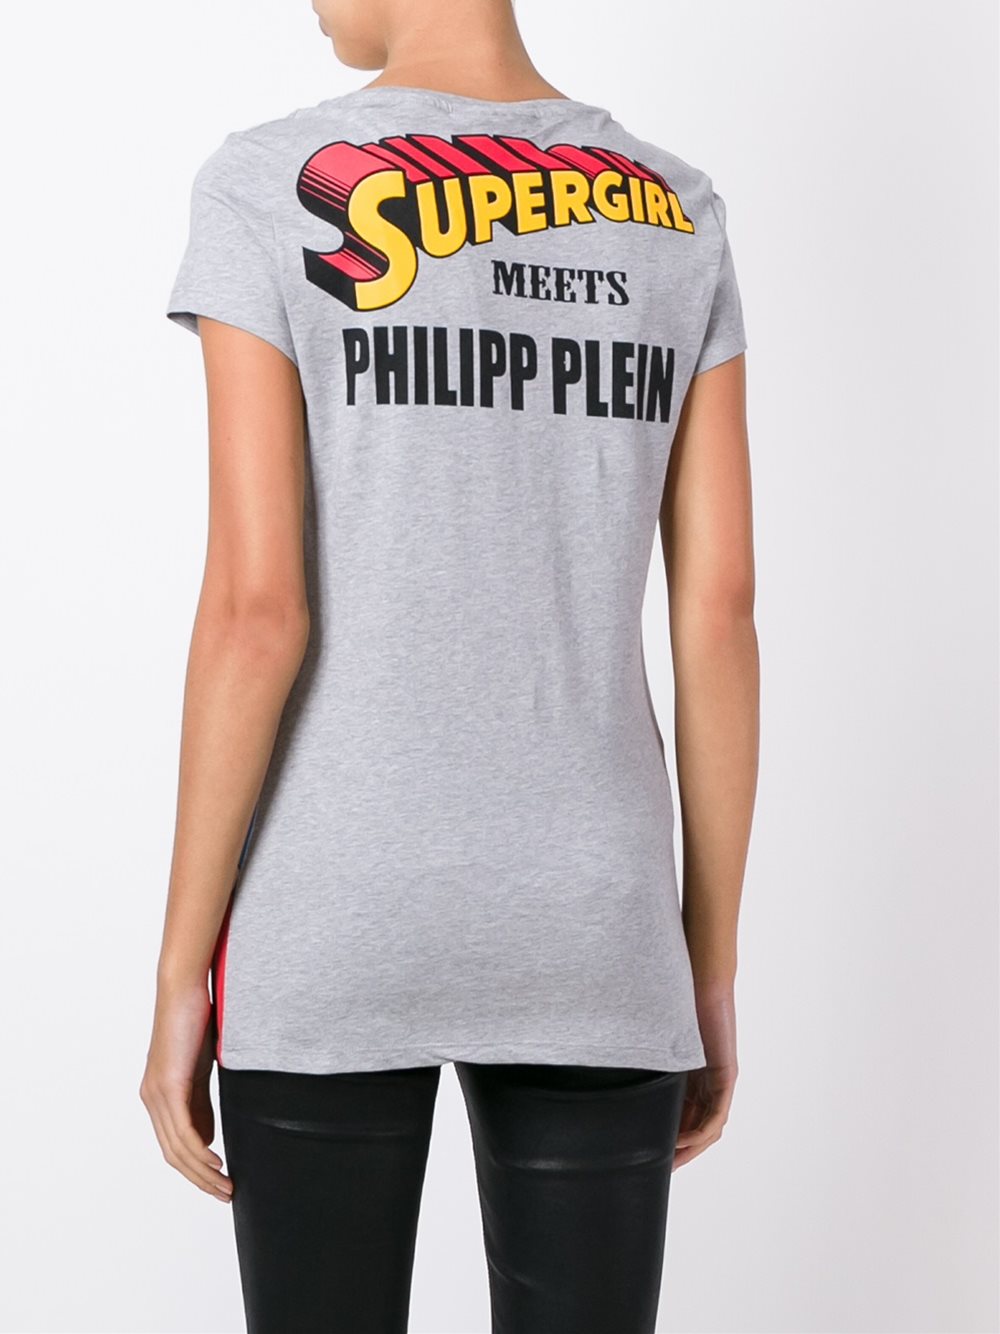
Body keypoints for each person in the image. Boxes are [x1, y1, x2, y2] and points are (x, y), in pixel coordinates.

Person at [140, 0, 759, 1329]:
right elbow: (716, 609)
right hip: (596, 923)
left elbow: (256, 610)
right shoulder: (674, 207)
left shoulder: (267, 184)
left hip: (333, 910)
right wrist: (704, 967)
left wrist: (182, 969)